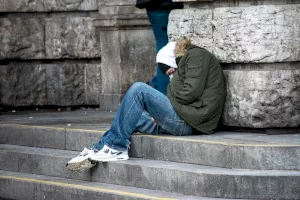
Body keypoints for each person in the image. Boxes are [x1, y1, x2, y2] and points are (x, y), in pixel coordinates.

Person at [66, 38, 226, 171]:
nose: (172, 76)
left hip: (190, 122)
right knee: (130, 114)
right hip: (186, 117)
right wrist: (162, 109)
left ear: (173, 60)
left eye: (171, 72)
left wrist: (165, 107)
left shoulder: (196, 56)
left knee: (139, 89)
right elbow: (184, 92)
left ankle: (116, 146)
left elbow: (190, 91)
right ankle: (101, 146)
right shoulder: (187, 62)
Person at [144, 0, 183, 94]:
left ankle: (156, 86)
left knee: (165, 51)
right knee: (167, 55)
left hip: (156, 8)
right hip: (164, 7)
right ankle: (162, 92)